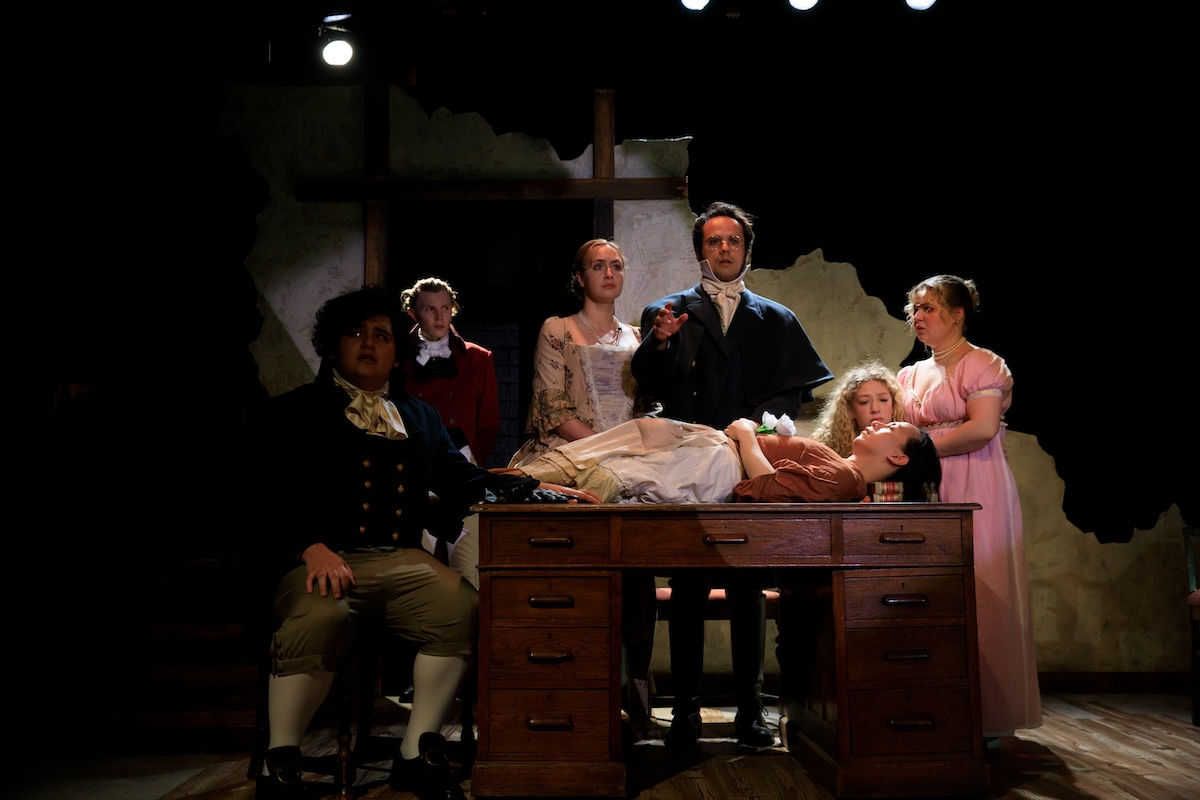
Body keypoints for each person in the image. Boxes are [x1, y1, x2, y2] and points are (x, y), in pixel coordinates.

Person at [249, 286, 597, 800]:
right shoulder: (293, 413)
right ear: (333, 345)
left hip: (400, 561)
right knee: (320, 616)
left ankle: (417, 750)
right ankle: (281, 760)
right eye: (356, 333)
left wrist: (542, 489)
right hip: (316, 562)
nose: (369, 344)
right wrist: (309, 546)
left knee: (460, 605)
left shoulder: (417, 417)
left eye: (381, 335)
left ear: (396, 350)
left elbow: (465, 479)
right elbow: (262, 496)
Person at [630, 201, 834, 748]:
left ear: (747, 249)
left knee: (748, 587)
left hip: (747, 464)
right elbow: (648, 382)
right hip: (690, 466)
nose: (724, 249)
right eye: (714, 241)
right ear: (700, 250)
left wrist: (761, 430)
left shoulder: (775, 316)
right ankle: (688, 712)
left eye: (733, 241)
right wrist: (661, 341)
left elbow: (793, 389)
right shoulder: (666, 310)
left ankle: (751, 710)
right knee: (689, 587)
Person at [507, 237, 661, 740]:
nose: (609, 273)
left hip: (629, 465)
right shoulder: (558, 330)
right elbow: (552, 406)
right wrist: (610, 447)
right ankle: (569, 688)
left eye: (616, 264)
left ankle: (634, 691)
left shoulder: (637, 336)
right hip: (572, 459)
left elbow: (648, 408)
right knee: (577, 578)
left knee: (636, 575)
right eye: (598, 266)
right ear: (580, 277)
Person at [897, 274, 1042, 745]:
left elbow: (980, 430)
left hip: (976, 482)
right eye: (915, 309)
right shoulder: (910, 374)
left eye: (930, 308)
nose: (919, 317)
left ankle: (987, 714)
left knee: (981, 589)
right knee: (929, 593)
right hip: (927, 488)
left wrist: (920, 446)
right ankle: (932, 704)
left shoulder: (983, 364)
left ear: (957, 314)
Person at [507, 415, 941, 508]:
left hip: (722, 466)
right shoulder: (843, 474)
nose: (879, 423)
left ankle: (506, 488)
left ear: (897, 456)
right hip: (717, 454)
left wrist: (749, 435)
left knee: (613, 473)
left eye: (890, 429)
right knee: (627, 441)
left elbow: (766, 488)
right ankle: (510, 482)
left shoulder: (848, 480)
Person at [399, 276, 500, 588]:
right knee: (420, 541)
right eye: (430, 309)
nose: (440, 316)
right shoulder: (397, 359)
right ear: (413, 313)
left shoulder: (477, 357)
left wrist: (472, 460)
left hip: (461, 459)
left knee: (465, 542)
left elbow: (488, 421)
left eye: (445, 308)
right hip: (414, 459)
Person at [810, 359, 904, 458]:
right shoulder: (826, 452)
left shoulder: (908, 448)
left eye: (883, 400)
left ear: (894, 406)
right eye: (864, 402)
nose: (875, 409)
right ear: (850, 410)